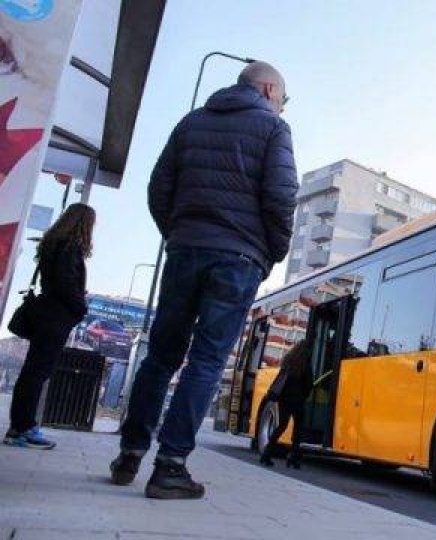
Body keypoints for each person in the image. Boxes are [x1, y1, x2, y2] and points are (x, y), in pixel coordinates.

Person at [110, 61, 298, 500]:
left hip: (184, 250)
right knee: (207, 361)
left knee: (160, 356)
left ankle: (129, 454)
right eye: (284, 100)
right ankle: (170, 467)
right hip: (237, 258)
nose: (283, 108)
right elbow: (282, 195)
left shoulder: (191, 122)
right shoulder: (273, 129)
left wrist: (180, 233)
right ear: (269, 90)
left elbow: (159, 188)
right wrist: (270, 251)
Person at [3, 203, 94, 449]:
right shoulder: (70, 248)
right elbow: (66, 283)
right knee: (38, 372)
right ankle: (23, 429)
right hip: (56, 316)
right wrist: (80, 306)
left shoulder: (52, 244)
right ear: (84, 224)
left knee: (32, 371)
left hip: (45, 313)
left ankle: (20, 426)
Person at [259, 338, 313, 468]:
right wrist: (305, 395)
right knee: (298, 428)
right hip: (298, 400)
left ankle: (266, 454)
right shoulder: (305, 363)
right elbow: (309, 384)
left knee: (281, 426)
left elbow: (281, 379)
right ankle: (293, 457)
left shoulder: (288, 361)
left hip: (284, 399)